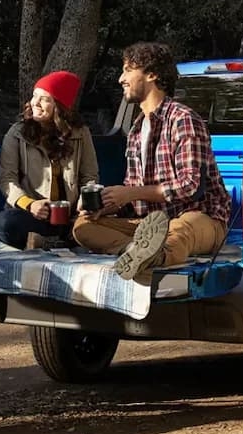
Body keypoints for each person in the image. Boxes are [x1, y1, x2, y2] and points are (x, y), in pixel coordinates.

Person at [72, 42, 231, 281]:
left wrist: (131, 193)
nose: (120, 78)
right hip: (148, 225)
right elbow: (132, 195)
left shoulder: (183, 119)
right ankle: (134, 251)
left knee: (181, 230)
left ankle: (155, 255)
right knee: (83, 226)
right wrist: (105, 204)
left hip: (199, 218)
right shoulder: (136, 129)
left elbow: (191, 186)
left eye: (127, 70)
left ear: (152, 75)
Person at [0, 71, 100, 249]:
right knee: (6, 223)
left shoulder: (80, 133)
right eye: (35, 95)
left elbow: (89, 176)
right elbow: (7, 179)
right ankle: (57, 242)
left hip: (70, 218)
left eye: (44, 99)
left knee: (102, 223)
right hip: (34, 216)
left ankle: (56, 241)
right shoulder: (17, 133)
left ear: (59, 106)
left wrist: (86, 203)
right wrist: (30, 204)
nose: (35, 103)